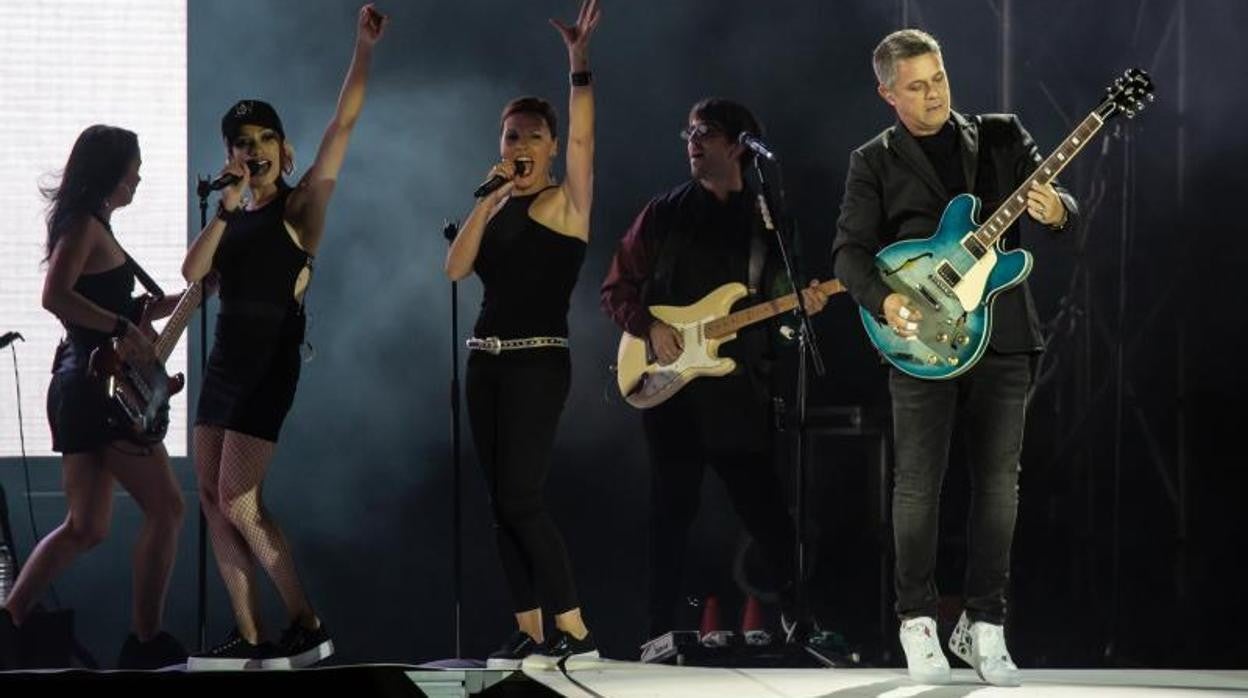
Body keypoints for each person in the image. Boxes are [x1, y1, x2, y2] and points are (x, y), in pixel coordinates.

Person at [831, 28, 1078, 687]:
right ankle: (916, 619)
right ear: (888, 94)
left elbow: (1064, 210)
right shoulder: (873, 161)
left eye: (938, 78)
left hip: (1002, 332)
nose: (934, 93)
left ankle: (985, 623)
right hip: (918, 338)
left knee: (999, 485)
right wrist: (885, 300)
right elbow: (849, 253)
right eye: (916, 86)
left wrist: (1057, 211)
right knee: (918, 484)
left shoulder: (1001, 136)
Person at [180, 4, 386, 671]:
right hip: (223, 363)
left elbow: (342, 124)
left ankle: (306, 621)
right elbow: (193, 274)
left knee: (240, 500)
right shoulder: (232, 216)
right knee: (211, 499)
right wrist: (224, 209)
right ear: (230, 155)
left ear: (284, 147)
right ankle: (249, 635)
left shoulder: (300, 206)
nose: (255, 149)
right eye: (243, 142)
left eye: (265, 137)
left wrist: (363, 49)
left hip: (269, 363)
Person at [600, 98, 831, 642]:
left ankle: (800, 621)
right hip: (672, 389)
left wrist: (800, 306)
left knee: (767, 512)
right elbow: (615, 289)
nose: (693, 142)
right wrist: (649, 326)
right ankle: (658, 630)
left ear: (738, 144)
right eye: (689, 133)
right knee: (670, 512)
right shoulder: (664, 212)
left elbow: (780, 300)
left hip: (740, 388)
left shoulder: (768, 218)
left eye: (705, 132)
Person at [444, 0, 602, 671]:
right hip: (485, 363)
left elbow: (587, 140)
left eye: (534, 136)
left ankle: (576, 629)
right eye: (511, 137)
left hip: (539, 364)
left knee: (522, 496)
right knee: (498, 504)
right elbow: (455, 269)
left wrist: (578, 62)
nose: (521, 146)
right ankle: (531, 632)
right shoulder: (494, 205)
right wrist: (488, 199)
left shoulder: (567, 203)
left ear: (551, 146)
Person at [0, 125, 187, 671]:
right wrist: (121, 328)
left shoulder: (96, 226)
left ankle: (8, 622)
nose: (139, 179)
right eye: (134, 169)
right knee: (168, 509)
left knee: (86, 526)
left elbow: (120, 307)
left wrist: (188, 296)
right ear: (110, 172)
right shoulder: (84, 225)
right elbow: (55, 296)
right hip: (95, 386)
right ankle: (145, 643)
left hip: (79, 383)